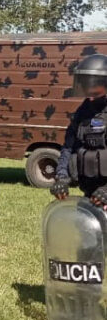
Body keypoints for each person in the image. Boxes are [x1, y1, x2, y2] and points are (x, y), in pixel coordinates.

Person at [53, 54, 107, 211]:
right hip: (90, 193)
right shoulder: (83, 111)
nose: (90, 97)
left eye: (95, 92)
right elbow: (69, 147)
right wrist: (61, 178)